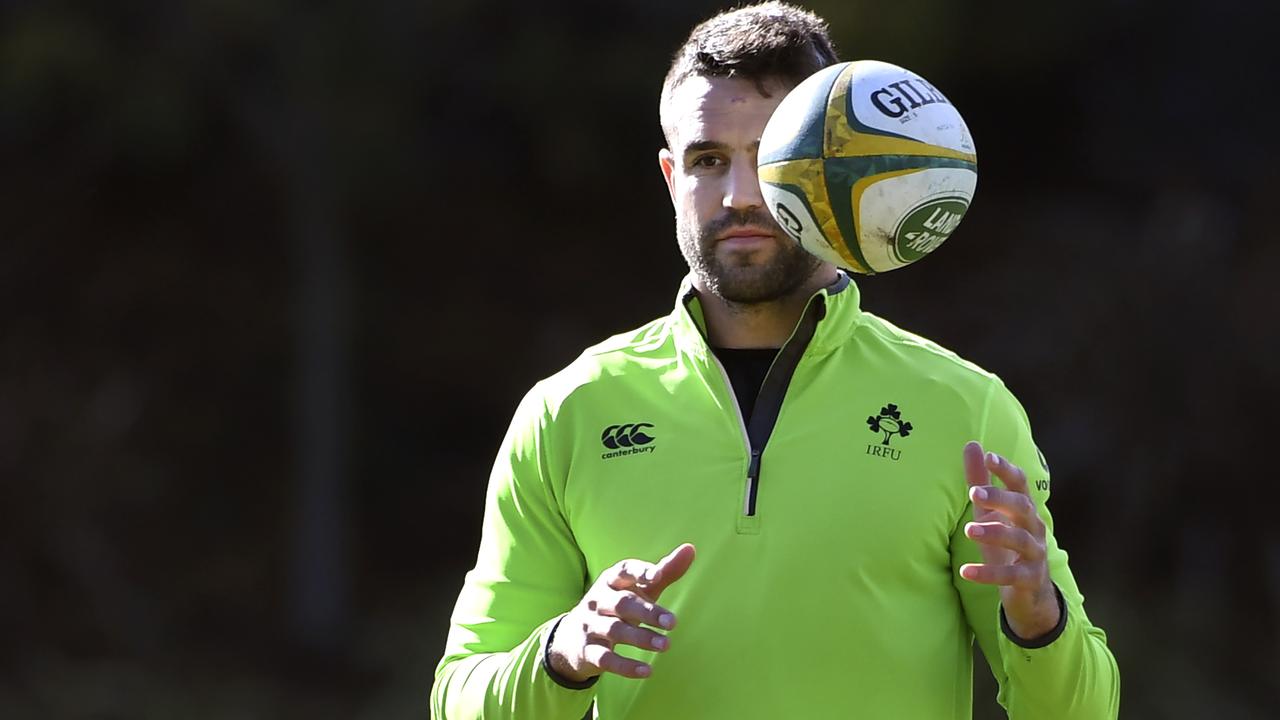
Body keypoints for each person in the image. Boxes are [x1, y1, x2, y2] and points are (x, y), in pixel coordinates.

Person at [430, 3, 1120, 718]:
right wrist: (562, 653)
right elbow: (459, 698)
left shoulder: (966, 410)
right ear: (671, 178)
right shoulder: (569, 412)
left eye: (770, 158)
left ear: (836, 167)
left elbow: (1084, 711)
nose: (738, 196)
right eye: (707, 161)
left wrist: (1040, 620)